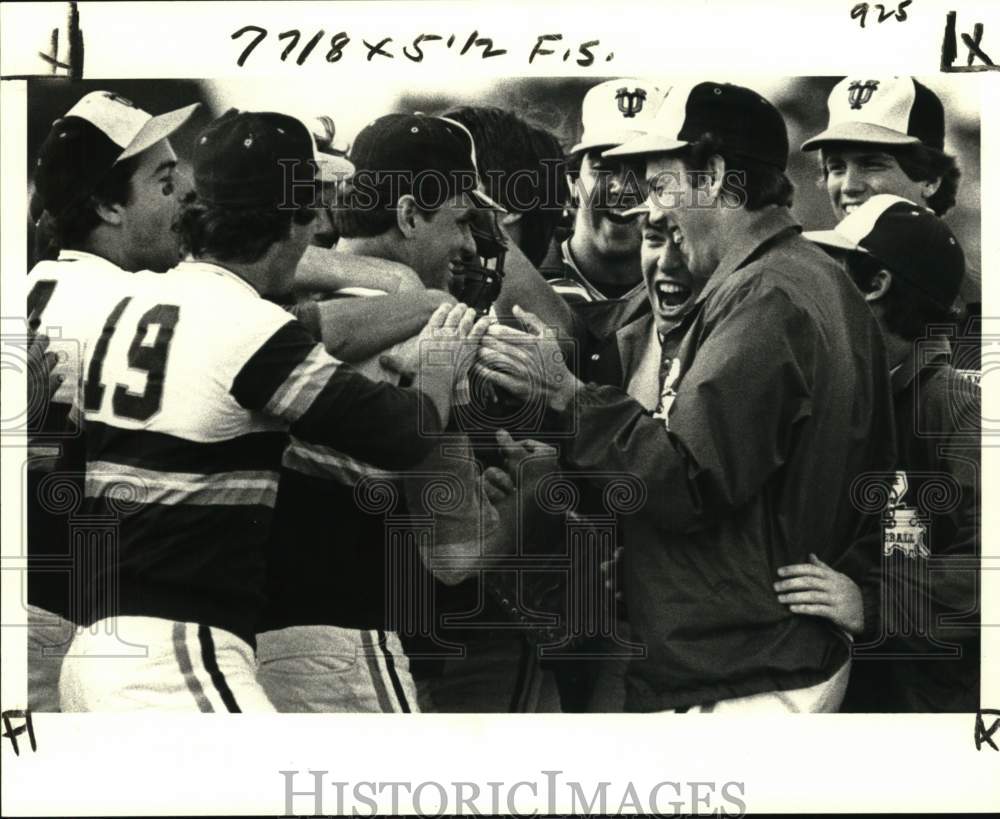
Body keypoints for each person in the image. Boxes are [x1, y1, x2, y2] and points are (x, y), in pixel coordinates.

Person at [477, 80, 897, 713]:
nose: (649, 208)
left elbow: (686, 484)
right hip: (758, 655)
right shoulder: (799, 278)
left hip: (741, 669)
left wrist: (566, 396)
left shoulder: (768, 296)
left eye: (660, 182)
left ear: (717, 174)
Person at [57, 109, 479, 712]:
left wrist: (413, 297)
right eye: (312, 209)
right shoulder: (250, 327)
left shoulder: (135, 297)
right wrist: (441, 365)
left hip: (94, 644)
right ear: (292, 219)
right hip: (177, 648)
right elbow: (404, 435)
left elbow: (303, 329)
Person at [255, 113, 509, 713]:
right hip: (343, 638)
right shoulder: (428, 330)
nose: (470, 244)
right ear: (409, 214)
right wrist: (532, 493)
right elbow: (456, 554)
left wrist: (395, 280)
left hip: (240, 639)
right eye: (460, 220)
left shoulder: (272, 293)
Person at [25, 90, 199, 711]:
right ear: (106, 204)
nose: (185, 197)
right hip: (50, 625)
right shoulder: (118, 305)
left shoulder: (40, 283)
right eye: (165, 181)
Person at [774, 194, 980, 712]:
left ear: (874, 285)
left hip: (926, 716)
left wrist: (871, 600)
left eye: (835, 272)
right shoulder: (847, 395)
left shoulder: (957, 405)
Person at [800, 75, 980, 374]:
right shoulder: (806, 291)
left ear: (931, 179)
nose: (848, 186)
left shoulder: (981, 306)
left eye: (872, 164)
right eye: (836, 167)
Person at [542, 78, 666, 304]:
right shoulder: (527, 278)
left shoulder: (693, 287)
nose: (623, 187)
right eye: (604, 168)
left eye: (641, 170)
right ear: (573, 183)